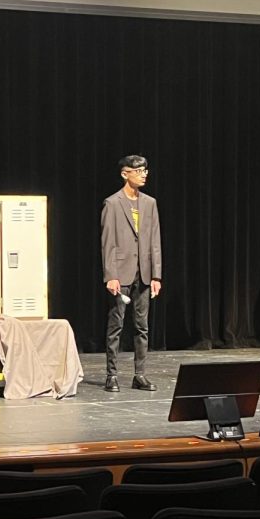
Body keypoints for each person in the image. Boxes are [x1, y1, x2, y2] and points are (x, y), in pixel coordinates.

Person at [100, 154, 162, 392]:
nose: (144, 174)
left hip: (144, 273)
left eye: (145, 170)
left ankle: (140, 375)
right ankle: (112, 375)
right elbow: (108, 243)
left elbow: (154, 241)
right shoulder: (112, 203)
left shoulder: (149, 203)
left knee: (141, 326)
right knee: (116, 325)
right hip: (121, 272)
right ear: (125, 173)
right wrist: (110, 275)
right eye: (138, 171)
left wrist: (156, 275)